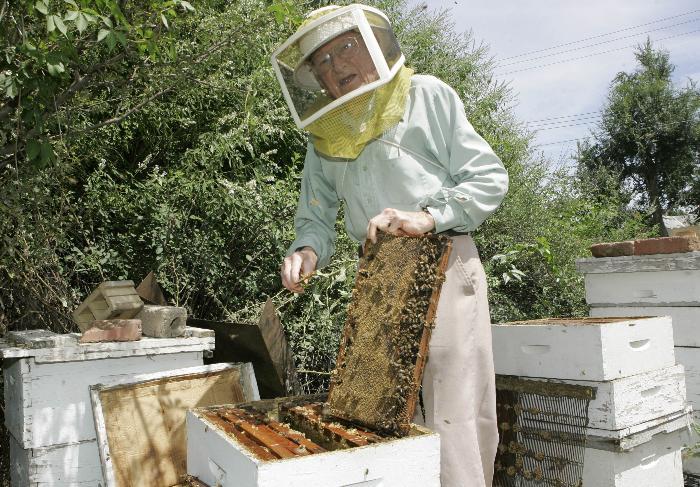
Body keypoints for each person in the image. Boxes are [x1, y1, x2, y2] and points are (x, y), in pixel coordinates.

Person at [272, 5, 509, 486]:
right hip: (379, 277)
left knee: (454, 415)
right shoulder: (325, 136)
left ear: (375, 46)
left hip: (443, 262)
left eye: (345, 47)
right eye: (322, 61)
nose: (336, 66)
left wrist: (427, 216)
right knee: (382, 411)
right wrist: (307, 251)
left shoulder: (427, 95)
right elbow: (315, 215)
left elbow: (488, 178)